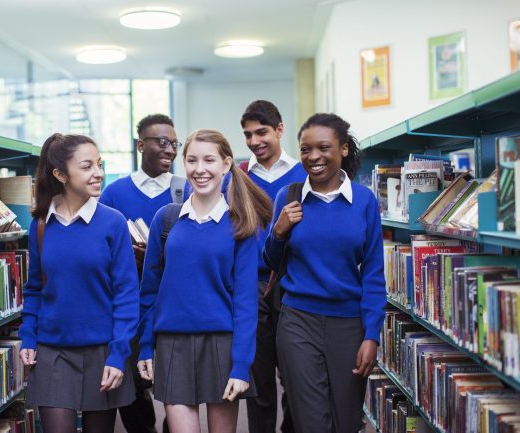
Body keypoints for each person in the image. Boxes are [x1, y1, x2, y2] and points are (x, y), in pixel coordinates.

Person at [137, 129, 272, 433]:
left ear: (226, 165)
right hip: (172, 345)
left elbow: (246, 303)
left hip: (222, 346)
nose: (200, 169)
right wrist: (145, 346)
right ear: (183, 163)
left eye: (209, 160)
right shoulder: (167, 219)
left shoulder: (241, 225)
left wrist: (240, 366)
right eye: (192, 160)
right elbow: (150, 290)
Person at [264, 113, 386, 433]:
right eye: (305, 150)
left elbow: (373, 273)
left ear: (343, 149)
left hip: (349, 326)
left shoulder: (364, 201)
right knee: (312, 422)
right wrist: (278, 232)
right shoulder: (288, 198)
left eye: (323, 148)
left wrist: (371, 335)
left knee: (346, 422)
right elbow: (272, 263)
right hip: (297, 322)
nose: (313, 157)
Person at [19, 133, 139, 433]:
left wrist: (118, 354)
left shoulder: (113, 222)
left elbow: (126, 295)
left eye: (100, 164)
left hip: (102, 352)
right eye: (87, 166)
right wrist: (28, 338)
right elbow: (35, 289)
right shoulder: (41, 226)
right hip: (53, 354)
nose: (98, 173)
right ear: (60, 174)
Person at [99, 114, 184, 433]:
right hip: (130, 302)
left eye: (174, 144)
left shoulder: (184, 190)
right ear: (140, 145)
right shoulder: (113, 194)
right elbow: (101, 246)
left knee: (176, 376)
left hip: (175, 300)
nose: (170, 150)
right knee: (134, 379)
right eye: (162, 142)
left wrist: (154, 258)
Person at [240, 100, 306, 433]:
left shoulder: (305, 174)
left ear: (280, 129)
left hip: (292, 284)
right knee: (259, 381)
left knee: (295, 378)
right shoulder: (238, 177)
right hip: (251, 287)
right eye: (248, 134)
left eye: (261, 132)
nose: (254, 141)